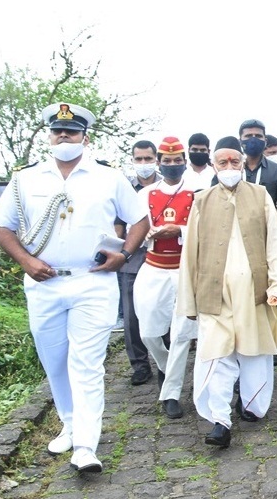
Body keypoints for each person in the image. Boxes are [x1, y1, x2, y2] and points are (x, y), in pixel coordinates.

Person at [0, 102, 149, 474]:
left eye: (72, 131)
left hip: (93, 282)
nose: (65, 136)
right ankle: (70, 421)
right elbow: (1, 226)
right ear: (49, 135)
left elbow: (139, 219)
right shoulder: (25, 179)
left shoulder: (108, 177)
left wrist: (124, 255)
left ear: (84, 137)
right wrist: (26, 262)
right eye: (58, 131)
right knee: (54, 359)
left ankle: (86, 446)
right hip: (43, 283)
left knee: (87, 363)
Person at [177, 136, 277, 448]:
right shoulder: (201, 200)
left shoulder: (261, 195)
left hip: (253, 292)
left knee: (253, 353)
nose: (229, 167)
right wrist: (188, 299)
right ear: (213, 165)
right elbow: (191, 253)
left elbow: (274, 243)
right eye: (223, 162)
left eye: (234, 162)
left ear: (242, 163)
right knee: (217, 354)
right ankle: (220, 420)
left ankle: (251, 405)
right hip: (214, 293)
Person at [133, 137, 198, 419]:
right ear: (159, 162)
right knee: (148, 331)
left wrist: (178, 230)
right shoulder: (144, 195)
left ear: (184, 161)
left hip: (184, 268)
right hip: (153, 266)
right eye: (167, 161)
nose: (172, 165)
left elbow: (203, 229)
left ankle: (171, 392)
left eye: (177, 161)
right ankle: (165, 366)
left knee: (182, 333)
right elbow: (132, 230)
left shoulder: (198, 192)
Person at [118, 140, 162, 388]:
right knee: (132, 316)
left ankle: (164, 363)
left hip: (163, 256)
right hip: (131, 257)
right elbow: (117, 223)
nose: (144, 164)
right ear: (132, 160)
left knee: (162, 309)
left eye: (148, 158)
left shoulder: (167, 186)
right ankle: (140, 365)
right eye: (139, 159)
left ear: (156, 159)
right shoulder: (124, 187)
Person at [229, 119, 277, 236]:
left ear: (265, 141)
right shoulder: (230, 170)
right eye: (248, 136)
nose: (253, 139)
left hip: (267, 234)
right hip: (235, 234)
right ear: (240, 141)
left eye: (258, 136)